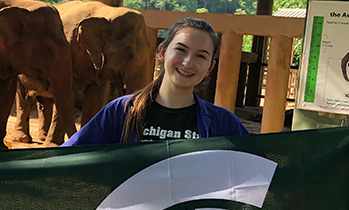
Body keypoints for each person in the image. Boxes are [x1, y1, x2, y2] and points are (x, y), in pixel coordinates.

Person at [62, 17, 249, 146]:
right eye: (181, 50)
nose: (188, 62)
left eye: (200, 56)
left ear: (210, 68)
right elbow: (69, 159)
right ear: (162, 52)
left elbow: (258, 171)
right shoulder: (121, 112)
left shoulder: (223, 124)